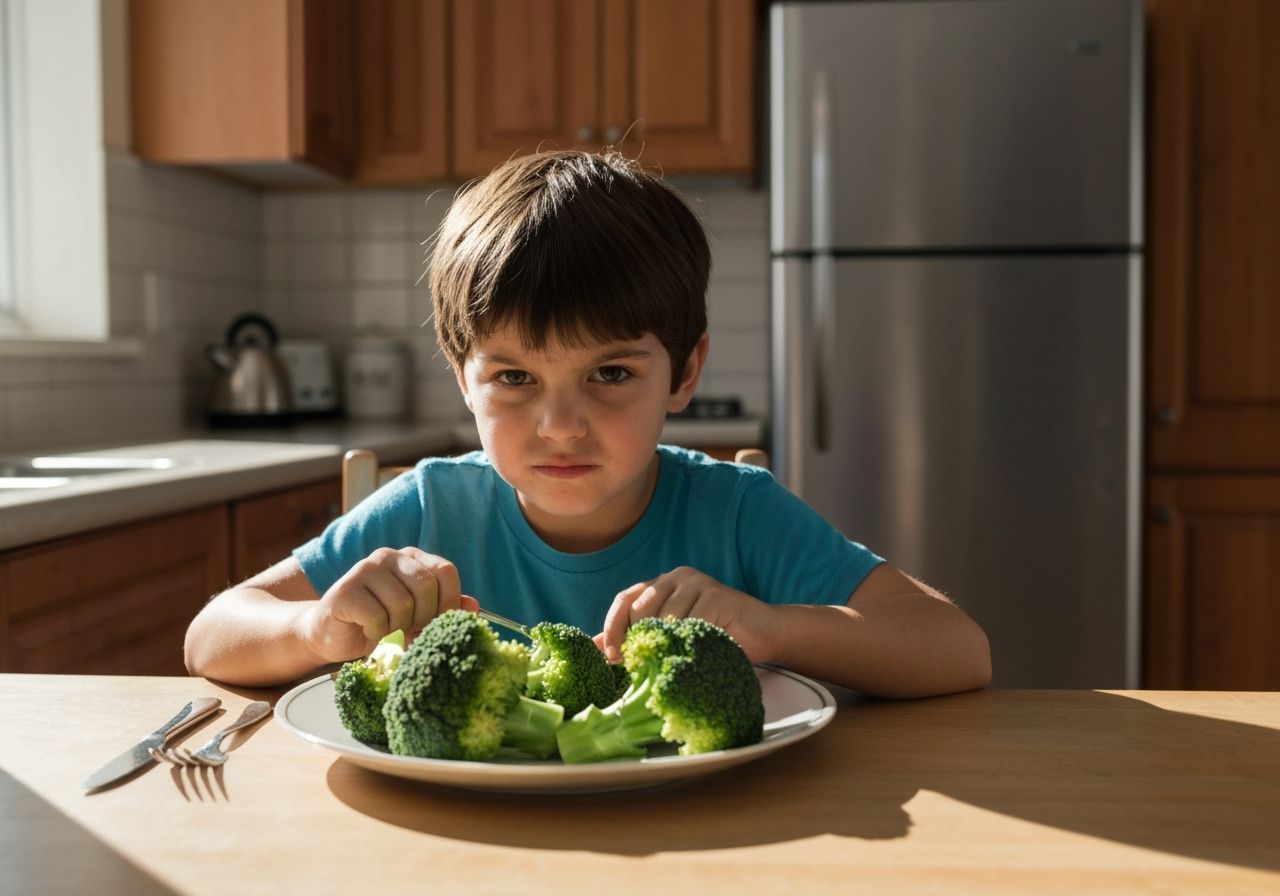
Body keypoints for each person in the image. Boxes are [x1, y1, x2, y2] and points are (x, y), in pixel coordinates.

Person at [185, 150, 991, 696]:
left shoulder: (736, 509)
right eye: (513, 378)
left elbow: (958, 648)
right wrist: (317, 628)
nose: (561, 425)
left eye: (610, 373)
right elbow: (210, 635)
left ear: (686, 371)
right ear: (461, 378)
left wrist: (776, 629)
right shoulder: (432, 507)